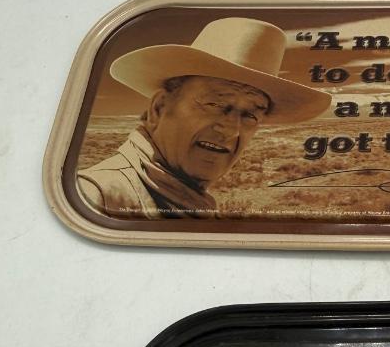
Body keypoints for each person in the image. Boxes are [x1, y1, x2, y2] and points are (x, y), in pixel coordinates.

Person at [77, 17, 331, 217]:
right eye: (215, 103)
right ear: (159, 108)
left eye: (251, 115)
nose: (231, 130)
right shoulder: (97, 197)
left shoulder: (183, 199)